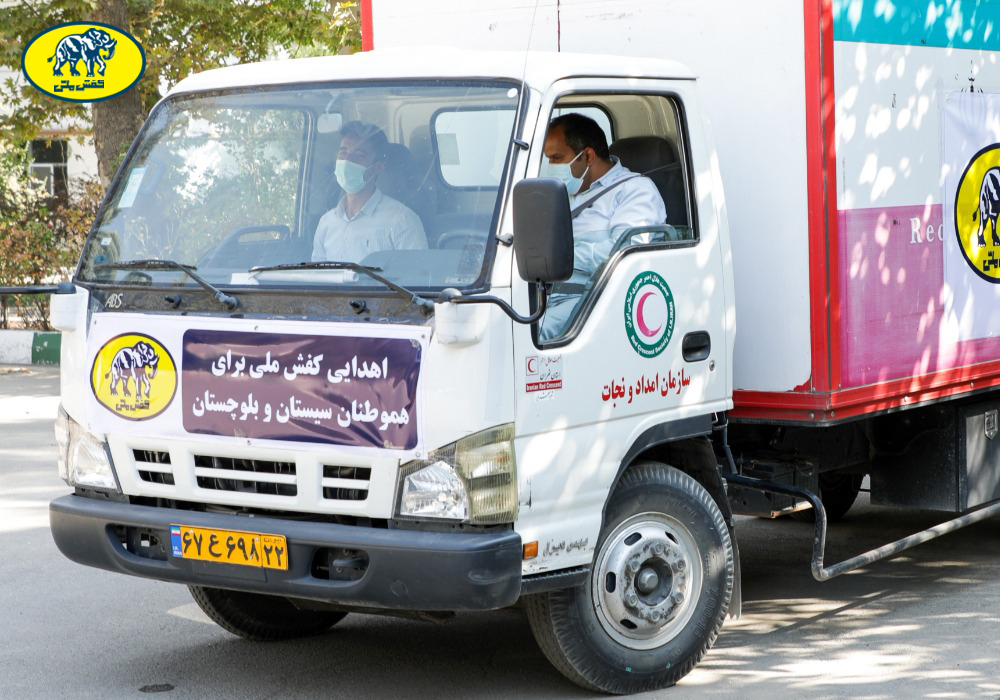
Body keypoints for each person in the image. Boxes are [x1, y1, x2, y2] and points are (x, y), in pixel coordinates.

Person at [539, 112, 667, 340]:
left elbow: (627, 254)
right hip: (543, 294)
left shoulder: (635, 190)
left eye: (556, 158)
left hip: (588, 300)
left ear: (587, 156)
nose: (550, 166)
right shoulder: (565, 192)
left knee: (526, 335)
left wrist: (560, 258)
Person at [312, 121, 427, 263]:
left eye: (359, 155)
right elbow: (318, 278)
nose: (347, 160)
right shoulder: (326, 223)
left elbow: (416, 278)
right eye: (343, 152)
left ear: (379, 167)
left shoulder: (401, 220)